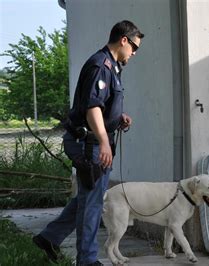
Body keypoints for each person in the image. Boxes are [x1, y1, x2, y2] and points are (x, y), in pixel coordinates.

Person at [32, 20, 144, 266]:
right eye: (135, 47)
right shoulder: (100, 66)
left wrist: (117, 118)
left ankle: (49, 238)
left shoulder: (113, 67)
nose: (135, 53)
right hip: (89, 144)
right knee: (92, 206)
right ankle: (87, 260)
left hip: (95, 141)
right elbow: (92, 107)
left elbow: (101, 107)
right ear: (123, 40)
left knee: (88, 198)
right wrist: (104, 141)